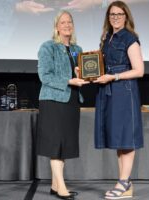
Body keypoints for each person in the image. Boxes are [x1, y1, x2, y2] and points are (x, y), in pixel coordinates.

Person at [93, 1, 144, 199]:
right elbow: (100, 63)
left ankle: (123, 182)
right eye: (112, 14)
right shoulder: (107, 37)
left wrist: (113, 77)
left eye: (119, 14)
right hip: (109, 90)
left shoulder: (130, 39)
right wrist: (85, 69)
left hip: (124, 91)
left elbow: (139, 71)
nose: (115, 17)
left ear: (126, 16)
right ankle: (125, 182)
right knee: (118, 138)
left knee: (126, 138)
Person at [37, 10, 89, 200]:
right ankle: (62, 188)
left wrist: (81, 75)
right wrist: (69, 80)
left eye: (69, 22)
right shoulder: (48, 47)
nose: (67, 25)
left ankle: (54, 184)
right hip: (53, 100)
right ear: (56, 26)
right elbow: (45, 76)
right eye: (63, 22)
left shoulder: (78, 49)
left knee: (64, 145)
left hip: (71, 101)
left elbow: (81, 73)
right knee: (55, 144)